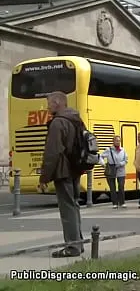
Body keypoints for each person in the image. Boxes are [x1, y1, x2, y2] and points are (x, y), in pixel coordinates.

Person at [39, 91, 85, 258]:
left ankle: (72, 246)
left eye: (49, 103)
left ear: (58, 102)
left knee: (67, 209)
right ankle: (79, 243)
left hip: (63, 170)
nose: (47, 106)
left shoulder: (58, 123)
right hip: (75, 169)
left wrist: (44, 177)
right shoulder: (75, 119)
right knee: (74, 205)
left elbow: (52, 152)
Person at [100, 135, 128, 209]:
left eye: (119, 141)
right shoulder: (108, 150)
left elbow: (126, 160)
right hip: (111, 170)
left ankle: (122, 202)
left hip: (121, 170)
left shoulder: (123, 150)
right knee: (112, 188)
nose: (118, 142)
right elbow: (101, 156)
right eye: (116, 141)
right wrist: (103, 164)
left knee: (121, 186)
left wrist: (121, 164)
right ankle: (114, 203)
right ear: (113, 141)